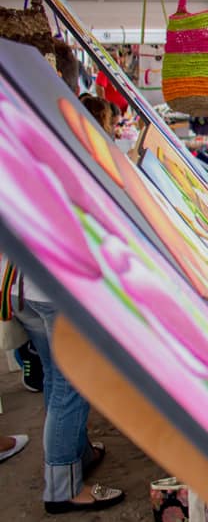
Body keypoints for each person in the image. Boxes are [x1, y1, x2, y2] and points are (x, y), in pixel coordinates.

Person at [2, 40, 126, 514]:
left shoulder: (33, 146)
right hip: (52, 289)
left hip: (25, 286)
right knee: (71, 386)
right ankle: (62, 488)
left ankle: (77, 457)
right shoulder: (71, 158)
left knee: (58, 379)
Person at [95, 47, 129, 114]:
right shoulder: (104, 72)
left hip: (122, 112)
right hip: (112, 113)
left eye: (117, 58)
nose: (117, 61)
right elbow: (99, 87)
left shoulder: (118, 73)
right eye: (113, 59)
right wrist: (106, 108)